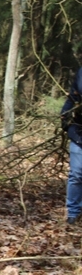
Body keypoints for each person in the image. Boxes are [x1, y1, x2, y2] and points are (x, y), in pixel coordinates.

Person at [61, 67, 82, 225]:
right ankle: (73, 213)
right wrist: (65, 115)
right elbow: (72, 97)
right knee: (77, 174)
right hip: (78, 132)